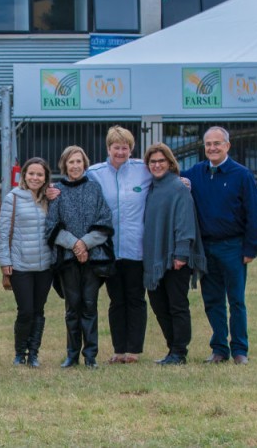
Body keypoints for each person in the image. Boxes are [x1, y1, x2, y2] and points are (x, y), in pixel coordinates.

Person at [182, 126, 257, 365]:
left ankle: (240, 350)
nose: (212, 148)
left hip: (233, 247)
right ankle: (219, 349)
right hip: (206, 248)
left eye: (217, 143)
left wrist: (251, 249)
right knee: (212, 300)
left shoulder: (242, 175)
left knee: (236, 300)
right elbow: (169, 174)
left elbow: (255, 214)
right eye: (208, 144)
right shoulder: (196, 173)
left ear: (227, 146)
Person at [86, 126, 150, 364]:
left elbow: (167, 175)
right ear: (108, 148)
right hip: (108, 248)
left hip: (136, 247)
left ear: (131, 149)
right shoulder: (95, 173)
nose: (120, 151)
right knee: (116, 300)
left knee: (135, 298)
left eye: (125, 147)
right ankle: (118, 349)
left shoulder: (143, 171)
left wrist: (184, 180)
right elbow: (76, 189)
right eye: (116, 147)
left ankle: (133, 350)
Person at [47, 146, 113, 369]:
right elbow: (51, 226)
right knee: (72, 307)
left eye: (78, 161)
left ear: (84, 164)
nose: (75, 166)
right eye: (70, 162)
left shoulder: (95, 189)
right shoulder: (56, 192)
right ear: (64, 165)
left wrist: (85, 243)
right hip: (67, 260)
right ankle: (72, 354)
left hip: (93, 258)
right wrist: (74, 245)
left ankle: (91, 356)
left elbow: (105, 221)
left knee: (89, 305)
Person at [142, 143, 207, 365]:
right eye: (152, 162)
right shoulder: (151, 188)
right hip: (154, 259)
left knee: (177, 305)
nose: (157, 165)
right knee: (159, 305)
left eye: (161, 161)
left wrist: (181, 254)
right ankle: (172, 349)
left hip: (175, 259)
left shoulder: (178, 188)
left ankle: (180, 351)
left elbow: (184, 223)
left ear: (170, 163)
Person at [0, 157, 53, 368]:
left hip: (45, 266)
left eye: (40, 174)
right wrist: (5, 262)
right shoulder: (13, 198)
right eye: (31, 174)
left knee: (39, 310)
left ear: (46, 177)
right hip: (20, 265)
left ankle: (34, 353)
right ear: (24, 175)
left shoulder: (49, 198)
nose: (35, 178)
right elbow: (3, 233)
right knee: (26, 310)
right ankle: (20, 352)